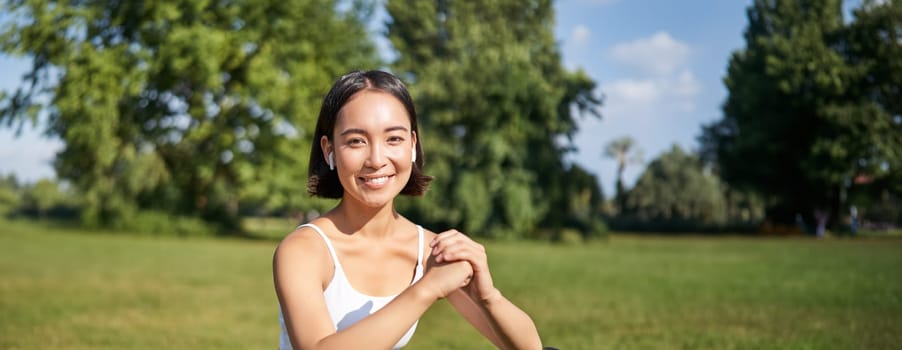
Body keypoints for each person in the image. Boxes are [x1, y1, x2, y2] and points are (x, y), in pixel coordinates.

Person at [273, 70, 543, 349]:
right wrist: (426, 290)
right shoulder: (304, 249)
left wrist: (487, 297)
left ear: (413, 145)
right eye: (356, 141)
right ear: (329, 150)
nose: (376, 160)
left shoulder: (429, 251)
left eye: (394, 139)